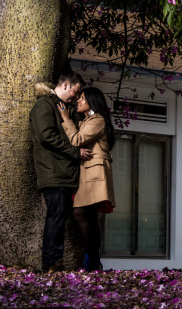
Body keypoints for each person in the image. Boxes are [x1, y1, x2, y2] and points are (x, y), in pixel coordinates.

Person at [29, 71, 87, 272]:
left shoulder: (64, 108)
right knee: (56, 217)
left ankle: (54, 261)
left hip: (64, 174)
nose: (76, 96)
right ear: (66, 85)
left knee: (60, 218)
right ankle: (51, 262)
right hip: (53, 173)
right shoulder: (44, 106)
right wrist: (75, 152)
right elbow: (46, 136)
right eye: (75, 91)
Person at [59, 86, 115, 271]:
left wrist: (66, 119)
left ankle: (91, 259)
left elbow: (76, 140)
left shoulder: (97, 119)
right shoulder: (88, 120)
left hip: (94, 173)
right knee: (89, 216)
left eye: (82, 98)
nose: (78, 101)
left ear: (92, 101)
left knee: (80, 213)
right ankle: (93, 261)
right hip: (88, 173)